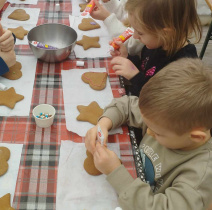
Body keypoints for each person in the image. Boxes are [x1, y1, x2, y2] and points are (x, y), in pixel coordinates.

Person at [85, 58, 212, 210]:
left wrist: (114, 172)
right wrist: (104, 124)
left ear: (196, 137)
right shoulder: (164, 119)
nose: (149, 131)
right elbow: (126, 105)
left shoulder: (199, 175)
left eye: (157, 133)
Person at [109, 0, 202, 96]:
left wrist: (134, 76)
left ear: (165, 33)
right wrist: (127, 57)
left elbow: (156, 100)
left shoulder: (184, 66)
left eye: (140, 32)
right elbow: (145, 69)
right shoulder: (158, 42)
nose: (135, 36)